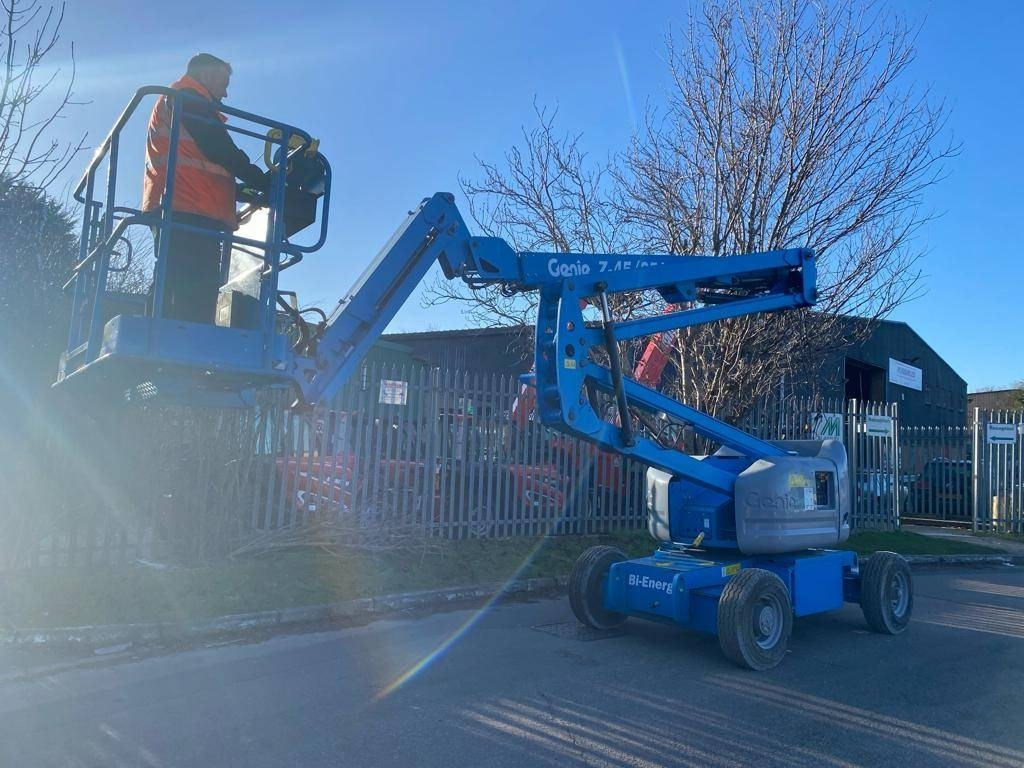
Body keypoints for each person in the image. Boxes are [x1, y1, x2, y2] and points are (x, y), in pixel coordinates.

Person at [141, 53, 267, 323]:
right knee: (193, 289)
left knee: (171, 280)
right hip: (188, 207)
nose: (225, 94)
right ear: (208, 75)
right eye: (223, 84)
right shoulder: (189, 99)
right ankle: (181, 347)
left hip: (181, 203)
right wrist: (265, 181)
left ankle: (157, 336)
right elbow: (219, 148)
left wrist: (242, 191)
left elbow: (203, 162)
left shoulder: (180, 100)